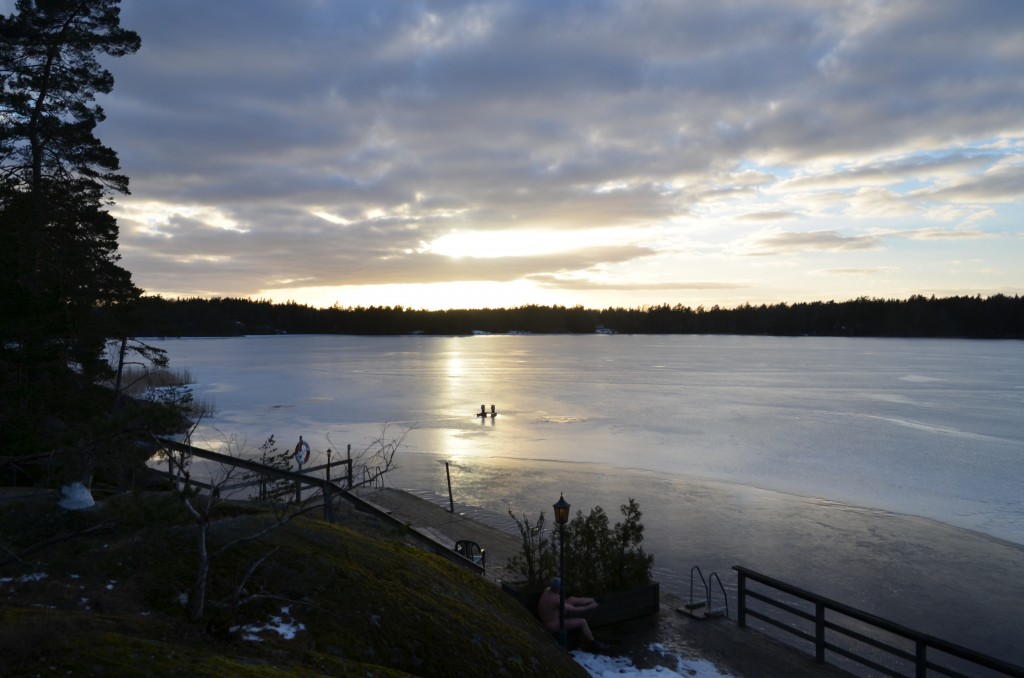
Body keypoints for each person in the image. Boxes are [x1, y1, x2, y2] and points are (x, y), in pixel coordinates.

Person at [536, 577, 606, 648]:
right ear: (558, 589)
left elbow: (564, 603)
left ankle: (594, 599)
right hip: (553, 624)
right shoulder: (554, 600)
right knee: (582, 622)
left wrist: (593, 600)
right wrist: (589, 607)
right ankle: (593, 642)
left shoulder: (548, 590)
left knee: (571, 599)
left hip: (555, 614)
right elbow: (573, 609)